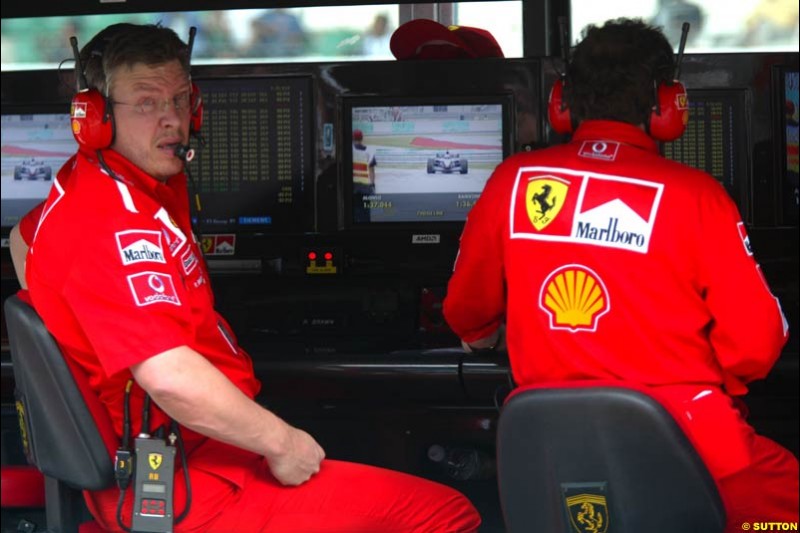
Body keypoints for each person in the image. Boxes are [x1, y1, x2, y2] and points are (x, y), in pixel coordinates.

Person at [17, 23, 480, 533]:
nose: (172, 120)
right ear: (96, 120)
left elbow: (23, 239)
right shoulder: (113, 223)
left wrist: (82, 329)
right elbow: (171, 379)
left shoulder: (98, 185)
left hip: (187, 456)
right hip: (189, 490)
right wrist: (283, 444)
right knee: (446, 515)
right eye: (146, 103)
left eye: (179, 99)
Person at [443, 18, 798, 532]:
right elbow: (757, 346)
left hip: (549, 454)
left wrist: (490, 336)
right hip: (695, 442)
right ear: (668, 106)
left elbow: (465, 313)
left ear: (561, 102)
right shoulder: (699, 196)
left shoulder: (510, 183)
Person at [352, 128, 378, 223]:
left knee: (354, 212)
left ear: (353, 138)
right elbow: (371, 171)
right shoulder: (369, 151)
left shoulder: (350, 150)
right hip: (365, 187)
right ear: (362, 138)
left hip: (353, 187)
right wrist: (373, 185)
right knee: (365, 213)